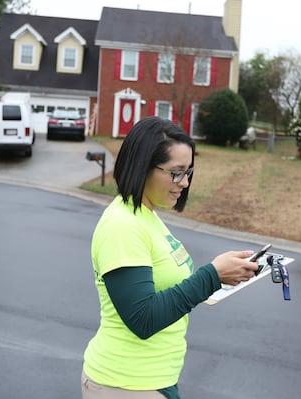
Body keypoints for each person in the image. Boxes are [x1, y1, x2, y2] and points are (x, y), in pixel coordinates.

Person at [81, 116, 259, 399]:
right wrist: (211, 275)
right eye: (176, 172)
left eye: (188, 172)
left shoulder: (145, 214)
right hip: (126, 384)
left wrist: (223, 276)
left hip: (154, 378)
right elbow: (142, 318)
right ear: (143, 167)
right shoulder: (122, 226)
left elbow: (170, 291)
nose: (185, 182)